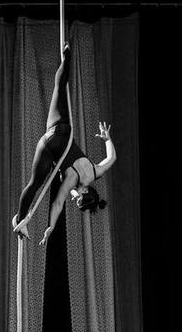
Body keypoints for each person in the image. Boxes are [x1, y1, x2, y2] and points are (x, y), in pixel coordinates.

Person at [12, 43, 116, 245]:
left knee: (60, 88)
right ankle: (19, 218)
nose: (74, 198)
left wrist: (107, 139)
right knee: (34, 184)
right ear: (86, 191)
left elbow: (112, 158)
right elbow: (58, 202)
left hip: (61, 131)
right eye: (78, 199)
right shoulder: (72, 179)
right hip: (50, 141)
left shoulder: (95, 171)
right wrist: (50, 227)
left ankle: (67, 59)